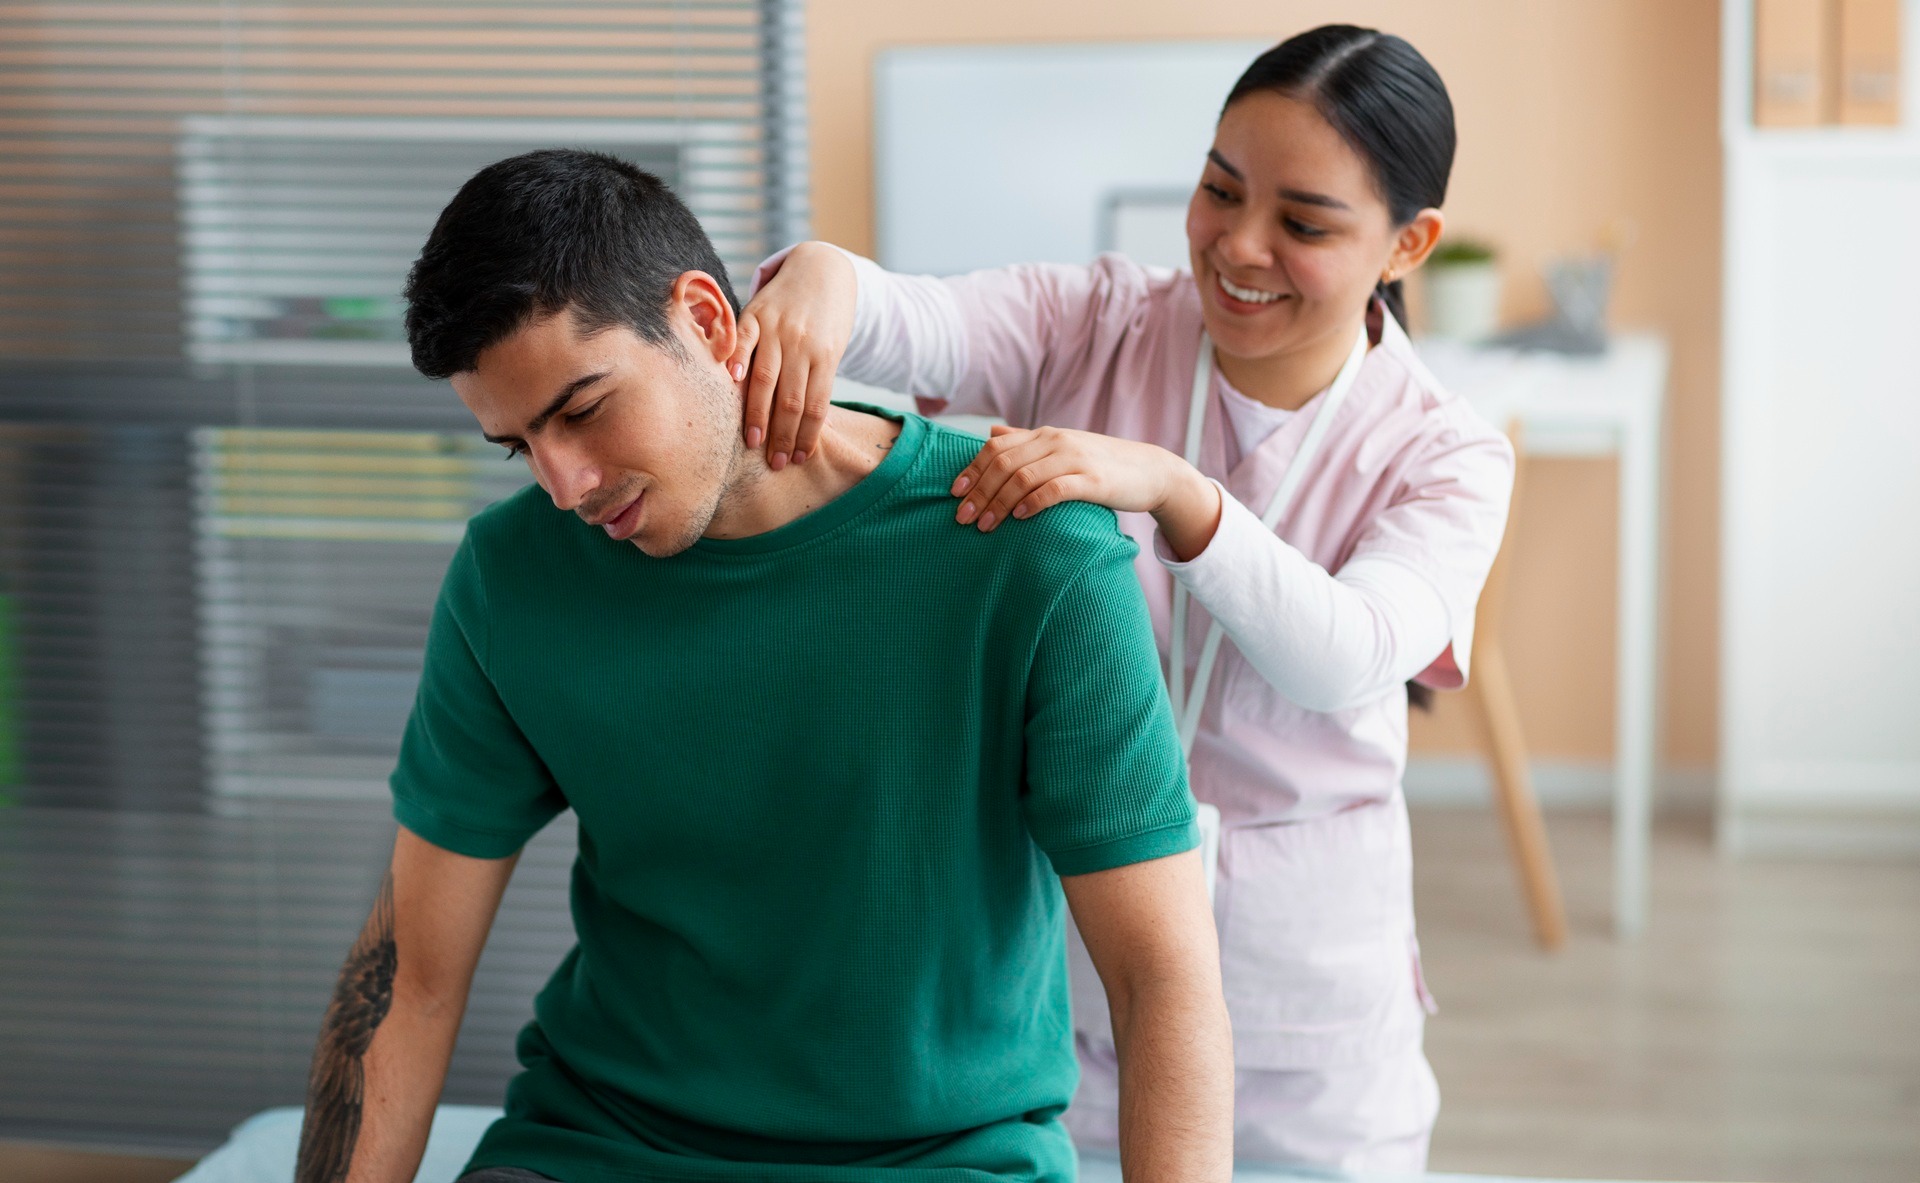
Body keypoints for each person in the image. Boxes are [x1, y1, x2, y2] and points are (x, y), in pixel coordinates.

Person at [290, 148, 1233, 1183]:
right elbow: (410, 977)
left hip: (936, 1160)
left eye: (584, 408)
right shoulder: (510, 579)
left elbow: (1161, 979)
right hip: (599, 1147)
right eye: (519, 445)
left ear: (705, 318)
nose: (565, 484)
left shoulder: (1029, 554)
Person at [733, 25, 1513, 1174]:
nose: (1238, 246)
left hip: (1307, 1018)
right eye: (1217, 189)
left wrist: (1177, 494)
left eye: (1303, 223)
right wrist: (824, 277)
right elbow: (919, 318)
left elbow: (1350, 655)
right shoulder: (1098, 320)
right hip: (1071, 983)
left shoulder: (1446, 452)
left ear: (1410, 243)